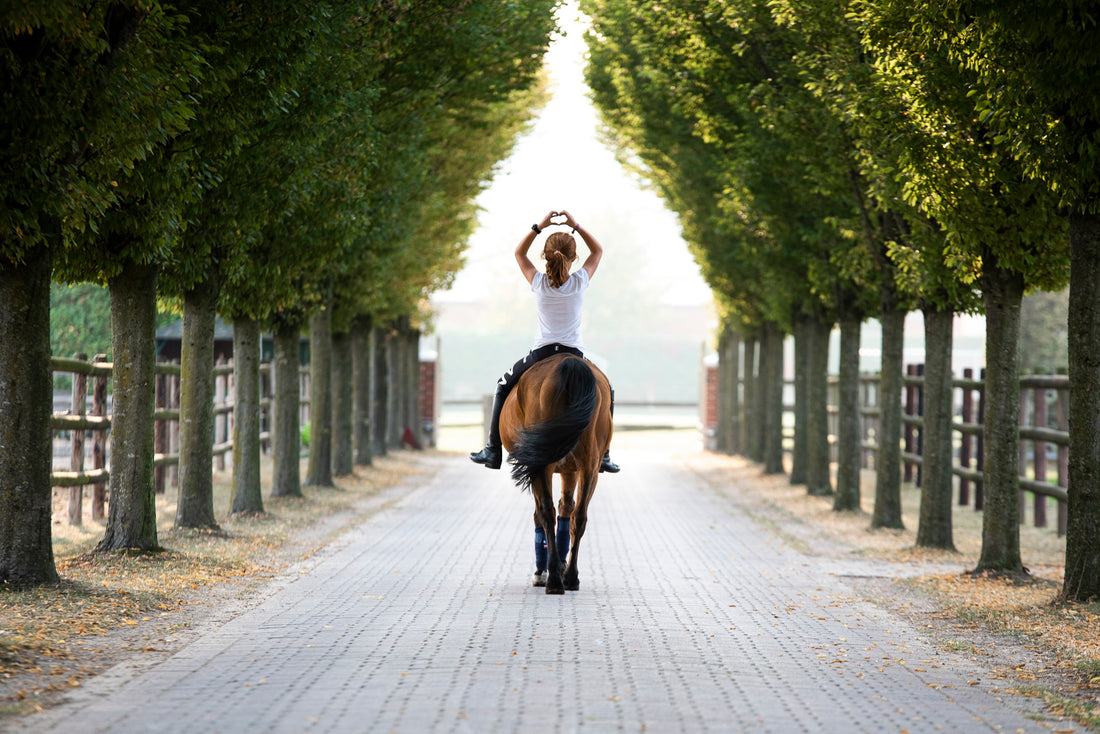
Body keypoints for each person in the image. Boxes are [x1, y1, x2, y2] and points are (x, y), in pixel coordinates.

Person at [470, 209, 619, 474]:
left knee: (503, 385)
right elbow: (597, 252)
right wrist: (576, 226)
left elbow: (519, 253)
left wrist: (540, 226)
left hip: (542, 353)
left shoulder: (539, 282)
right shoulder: (579, 281)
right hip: (574, 353)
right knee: (607, 389)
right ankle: (604, 454)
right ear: (574, 258)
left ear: (545, 256)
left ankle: (493, 450)